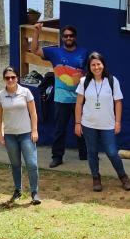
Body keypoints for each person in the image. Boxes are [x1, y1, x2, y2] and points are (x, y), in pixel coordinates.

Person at [74, 52, 130, 192]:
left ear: (103, 65)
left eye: (98, 64)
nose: (96, 67)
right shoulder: (84, 82)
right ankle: (96, 178)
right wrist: (77, 123)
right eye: (93, 65)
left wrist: (117, 122)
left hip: (108, 124)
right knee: (92, 152)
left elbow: (118, 102)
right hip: (88, 124)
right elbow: (78, 104)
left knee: (112, 152)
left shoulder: (112, 81)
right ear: (89, 67)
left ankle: (123, 176)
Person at [31, 22, 88, 167]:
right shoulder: (55, 52)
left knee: (82, 127)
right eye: (66, 36)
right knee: (59, 130)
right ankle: (57, 157)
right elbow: (34, 50)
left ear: (75, 37)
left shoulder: (84, 52)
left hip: (79, 99)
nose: (68, 38)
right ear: (62, 38)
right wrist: (37, 31)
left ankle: (85, 154)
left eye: (71, 35)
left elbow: (87, 73)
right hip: (61, 99)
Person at [0, 66, 41, 204]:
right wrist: (0, 135)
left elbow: (33, 113)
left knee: (32, 164)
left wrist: (34, 130)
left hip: (26, 134)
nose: (10, 80)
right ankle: (17, 190)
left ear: (17, 78)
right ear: (4, 79)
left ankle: (34, 192)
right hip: (10, 135)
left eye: (13, 77)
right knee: (15, 164)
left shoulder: (25, 92)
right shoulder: (0, 95)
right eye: (7, 77)